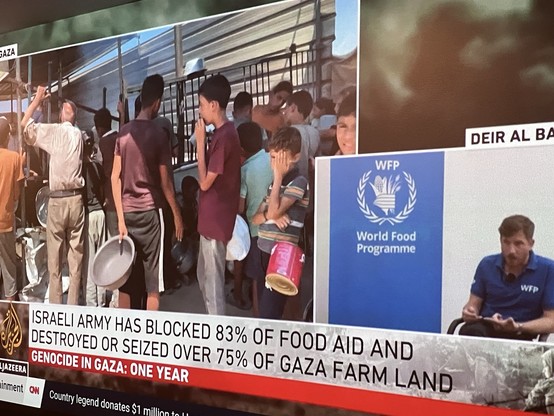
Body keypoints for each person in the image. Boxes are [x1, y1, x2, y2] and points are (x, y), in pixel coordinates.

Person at [111, 74, 184, 311]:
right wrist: (177, 215)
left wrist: (121, 219)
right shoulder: (159, 135)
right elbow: (166, 184)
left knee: (127, 281)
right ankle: (149, 338)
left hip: (128, 216)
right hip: (152, 215)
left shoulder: (123, 133)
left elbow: (115, 177)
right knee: (153, 283)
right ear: (157, 103)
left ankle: (124, 338)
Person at [22, 86, 85, 305]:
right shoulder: (79, 135)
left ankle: (57, 308)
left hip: (58, 200)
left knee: (55, 260)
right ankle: (74, 306)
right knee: (75, 259)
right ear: (74, 117)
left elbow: (25, 126)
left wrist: (37, 100)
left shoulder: (56, 131)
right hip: (76, 200)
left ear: (61, 115)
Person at [460, 215, 554, 340]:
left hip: (522, 332)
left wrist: (518, 326)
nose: (511, 251)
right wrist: (469, 312)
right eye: (506, 242)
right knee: (469, 331)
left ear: (531, 243)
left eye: (518, 244)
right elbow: (472, 305)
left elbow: (551, 321)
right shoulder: (487, 264)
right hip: (487, 329)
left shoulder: (547, 269)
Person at [194, 74, 241, 315]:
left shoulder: (224, 137)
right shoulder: (224, 134)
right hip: (211, 220)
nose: (200, 110)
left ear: (213, 105)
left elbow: (204, 183)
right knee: (203, 275)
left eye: (202, 104)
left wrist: (200, 144)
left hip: (216, 222)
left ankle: (218, 342)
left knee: (213, 287)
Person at [252, 126, 309, 320]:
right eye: (272, 157)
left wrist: (277, 178)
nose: (273, 164)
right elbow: (256, 217)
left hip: (282, 257)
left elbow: (274, 210)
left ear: (295, 157)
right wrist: (271, 216)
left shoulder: (298, 182)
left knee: (271, 311)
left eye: (278, 158)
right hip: (263, 250)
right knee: (263, 303)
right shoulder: (272, 187)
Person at [227, 121, 273, 314]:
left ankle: (254, 312)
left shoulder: (244, 171)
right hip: (275, 224)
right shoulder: (271, 158)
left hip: (256, 229)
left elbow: (240, 207)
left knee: (256, 277)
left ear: (241, 149)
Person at [0, 116, 24, 301]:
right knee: (9, 270)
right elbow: (16, 194)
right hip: (5, 222)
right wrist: (22, 165)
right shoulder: (14, 158)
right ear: (8, 136)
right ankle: (11, 323)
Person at [82, 136, 106, 306]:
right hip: (101, 214)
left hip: (88, 216)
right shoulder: (98, 166)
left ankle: (91, 304)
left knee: (90, 262)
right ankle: (102, 300)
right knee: (102, 260)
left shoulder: (80, 169)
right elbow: (103, 190)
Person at [282, 90, 320, 181]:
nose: (284, 112)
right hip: (310, 185)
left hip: (291, 185)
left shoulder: (288, 133)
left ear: (293, 108)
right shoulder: (315, 132)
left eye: (286, 108)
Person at [95, 108, 118, 237]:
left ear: (99, 129)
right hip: (126, 197)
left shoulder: (103, 143)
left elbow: (100, 171)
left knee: (115, 237)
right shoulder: (121, 137)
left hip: (111, 199)